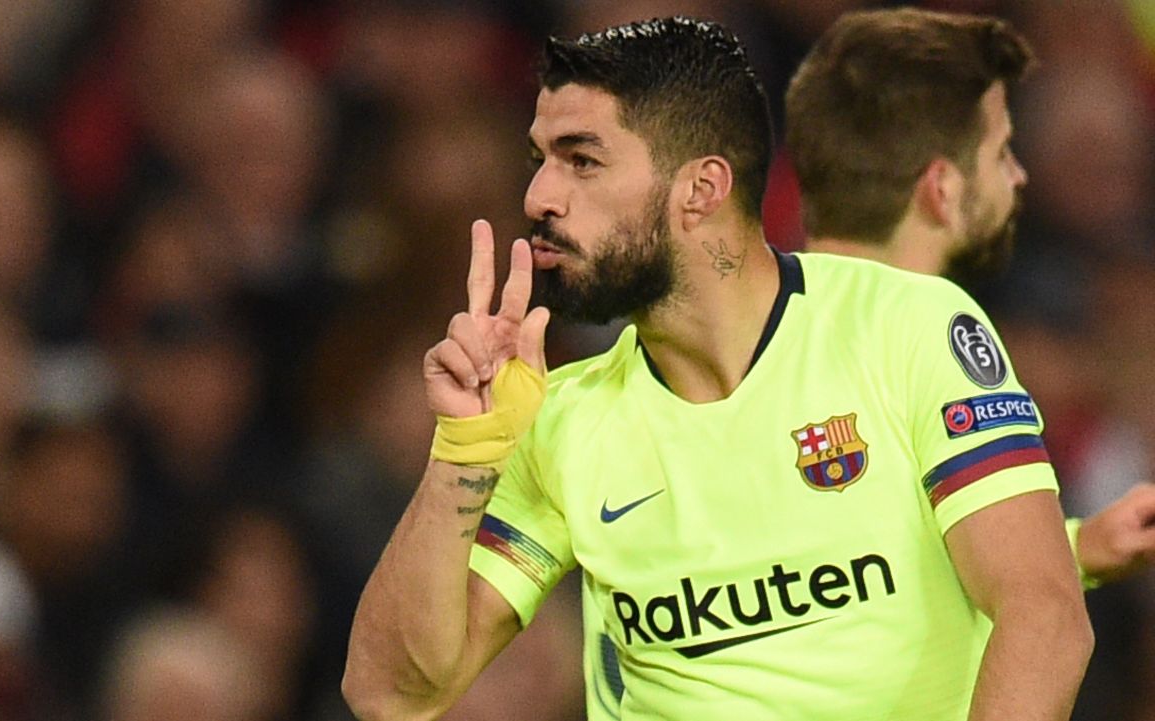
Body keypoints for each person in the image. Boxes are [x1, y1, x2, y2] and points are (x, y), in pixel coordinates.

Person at [343, 16, 1094, 721]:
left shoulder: (907, 327)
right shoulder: (559, 418)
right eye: (539, 161)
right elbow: (390, 691)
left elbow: (1044, 613)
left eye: (581, 160)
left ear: (701, 189)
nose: (539, 196)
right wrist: (463, 452)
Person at [577, 9, 1155, 718]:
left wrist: (1067, 548)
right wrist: (1044, 590)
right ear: (942, 189)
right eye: (1002, 152)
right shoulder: (906, 338)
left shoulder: (749, 340)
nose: (1020, 176)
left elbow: (828, 579)